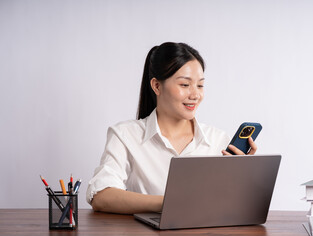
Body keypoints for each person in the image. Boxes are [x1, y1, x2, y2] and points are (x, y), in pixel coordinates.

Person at [86, 42, 257, 214]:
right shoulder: (125, 135)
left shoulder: (218, 141)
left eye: (200, 85)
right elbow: (101, 196)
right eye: (184, 85)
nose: (195, 95)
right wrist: (171, 203)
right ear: (157, 86)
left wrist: (241, 178)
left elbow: (232, 207)